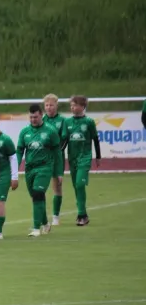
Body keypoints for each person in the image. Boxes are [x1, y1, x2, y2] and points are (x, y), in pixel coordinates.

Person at [16, 104, 63, 237]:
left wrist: (59, 172)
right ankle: (45, 223)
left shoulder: (50, 131)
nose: (33, 120)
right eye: (31, 117)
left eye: (35, 117)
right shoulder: (24, 131)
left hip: (45, 167)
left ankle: (36, 228)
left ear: (41, 115)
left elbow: (57, 153)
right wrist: (15, 167)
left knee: (38, 193)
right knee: (36, 197)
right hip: (29, 169)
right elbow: (19, 151)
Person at [61, 95, 101, 226]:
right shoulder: (67, 122)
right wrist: (58, 154)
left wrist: (98, 157)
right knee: (76, 187)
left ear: (82, 106)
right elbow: (64, 141)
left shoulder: (89, 122)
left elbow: (95, 139)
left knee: (79, 184)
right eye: (71, 105)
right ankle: (83, 214)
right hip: (72, 158)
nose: (72, 107)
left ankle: (81, 214)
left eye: (75, 105)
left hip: (85, 157)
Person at [42, 94, 66, 225]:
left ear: (56, 105)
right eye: (46, 105)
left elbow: (64, 139)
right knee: (41, 188)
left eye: (51, 105)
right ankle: (42, 216)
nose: (49, 107)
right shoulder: (41, 120)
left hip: (57, 158)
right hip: (43, 159)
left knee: (57, 186)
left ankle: (56, 216)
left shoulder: (62, 120)